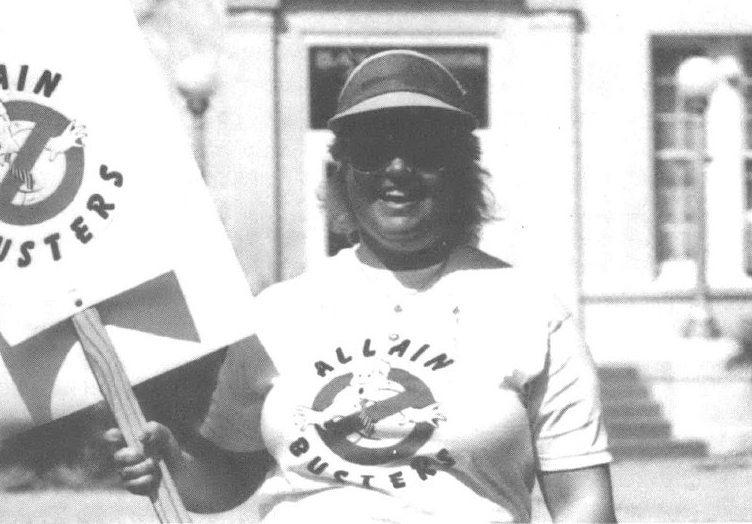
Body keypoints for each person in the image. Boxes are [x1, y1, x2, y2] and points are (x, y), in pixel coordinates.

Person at [105, 49, 617, 522]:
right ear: (343, 171)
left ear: (461, 169)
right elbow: (228, 479)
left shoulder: (528, 311)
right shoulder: (279, 313)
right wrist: (173, 462)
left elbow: (583, 503)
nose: (397, 169)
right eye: (372, 149)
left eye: (425, 149)